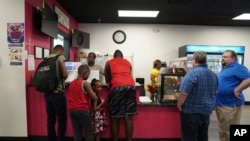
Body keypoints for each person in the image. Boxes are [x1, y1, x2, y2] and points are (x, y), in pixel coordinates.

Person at [177, 51, 218, 141]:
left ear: (194, 60)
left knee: (189, 136)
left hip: (191, 112)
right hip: (206, 111)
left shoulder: (192, 73)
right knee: (203, 136)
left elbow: (183, 93)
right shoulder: (213, 75)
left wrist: (179, 105)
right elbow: (215, 92)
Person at [215, 50, 250, 141]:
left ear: (233, 58)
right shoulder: (225, 68)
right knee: (223, 129)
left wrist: (237, 89)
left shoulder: (238, 68)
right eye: (222, 56)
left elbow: (248, 79)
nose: (222, 58)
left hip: (230, 105)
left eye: (225, 57)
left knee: (229, 130)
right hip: (220, 104)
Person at [104, 49, 137, 141]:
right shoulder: (128, 62)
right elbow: (129, 73)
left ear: (114, 57)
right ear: (122, 57)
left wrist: (109, 83)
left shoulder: (109, 62)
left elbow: (107, 77)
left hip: (117, 87)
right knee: (128, 117)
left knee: (115, 117)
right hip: (131, 86)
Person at [43, 44, 68, 141]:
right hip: (58, 93)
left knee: (50, 119)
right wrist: (65, 75)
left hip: (47, 93)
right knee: (61, 120)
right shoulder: (60, 57)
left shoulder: (46, 58)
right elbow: (64, 74)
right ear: (60, 51)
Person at [67, 65, 98, 141]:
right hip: (82, 110)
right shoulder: (85, 83)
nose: (88, 76)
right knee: (88, 132)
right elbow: (94, 97)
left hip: (71, 110)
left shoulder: (71, 83)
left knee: (77, 132)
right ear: (85, 73)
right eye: (88, 74)